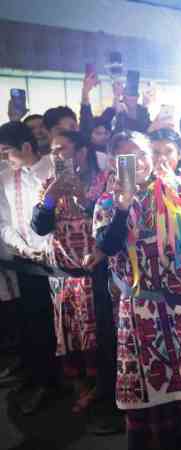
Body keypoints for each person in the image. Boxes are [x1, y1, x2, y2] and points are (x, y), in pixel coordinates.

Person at [93, 131, 181, 449]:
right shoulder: (108, 202)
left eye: (141, 154)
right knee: (154, 396)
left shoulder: (179, 188)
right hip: (143, 313)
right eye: (126, 157)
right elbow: (108, 246)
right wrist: (123, 206)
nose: (137, 162)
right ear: (112, 163)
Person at [30, 130, 108, 417]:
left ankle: (102, 392)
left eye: (63, 150)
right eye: (54, 151)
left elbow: (108, 225)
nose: (58, 156)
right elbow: (39, 226)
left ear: (81, 152)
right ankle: (80, 388)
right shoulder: (47, 186)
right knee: (70, 336)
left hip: (93, 274)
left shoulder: (101, 183)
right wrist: (51, 196)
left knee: (97, 336)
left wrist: (82, 198)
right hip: (62, 274)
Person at [0, 121, 57, 415]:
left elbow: (60, 215)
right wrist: (22, 247)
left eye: (6, 152)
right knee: (31, 320)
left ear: (25, 147)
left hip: (56, 264)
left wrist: (44, 249)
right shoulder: (7, 178)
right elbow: (4, 222)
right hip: (24, 260)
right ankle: (38, 378)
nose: (3, 159)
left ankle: (54, 381)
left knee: (57, 322)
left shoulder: (52, 169)